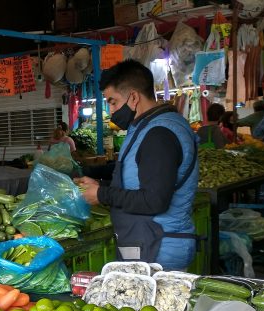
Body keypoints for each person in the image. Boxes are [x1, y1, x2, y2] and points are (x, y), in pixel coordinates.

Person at [76, 59, 199, 270]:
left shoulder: (159, 135)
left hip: (158, 246)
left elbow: (154, 200)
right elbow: (140, 183)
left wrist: (101, 195)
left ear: (133, 97)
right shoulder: (151, 127)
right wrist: (99, 186)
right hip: (151, 241)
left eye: (113, 101)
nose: (111, 109)